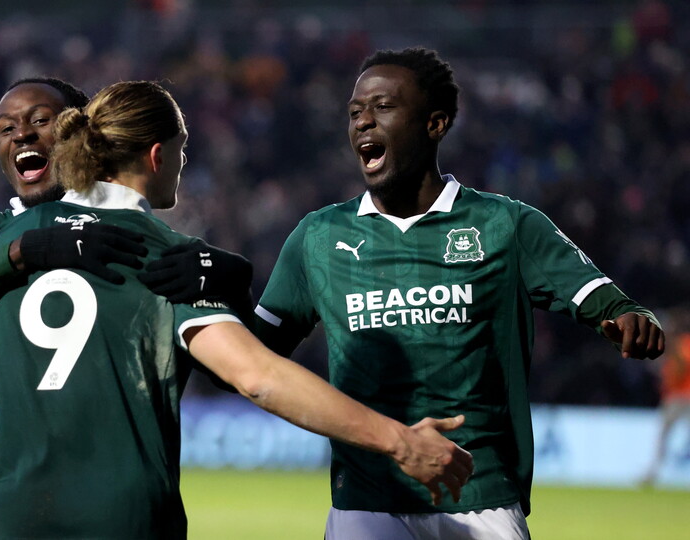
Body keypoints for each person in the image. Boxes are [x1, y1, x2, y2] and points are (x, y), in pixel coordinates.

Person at [0, 80, 474, 539]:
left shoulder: (1, 242)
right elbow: (258, 376)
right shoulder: (169, 255)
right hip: (129, 516)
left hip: (10, 514)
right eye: (183, 152)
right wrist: (397, 440)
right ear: (159, 155)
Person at [251, 46, 666, 540]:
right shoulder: (317, 237)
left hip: (482, 498)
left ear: (435, 124)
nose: (363, 122)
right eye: (355, 112)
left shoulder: (506, 225)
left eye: (383, 107)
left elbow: (610, 305)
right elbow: (251, 357)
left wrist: (630, 319)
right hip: (368, 502)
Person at [642, 308, 690, 487]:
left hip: (684, 398)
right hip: (674, 398)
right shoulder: (673, 347)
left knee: (665, 435)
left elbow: (681, 368)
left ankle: (652, 472)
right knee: (663, 435)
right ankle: (653, 472)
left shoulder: (683, 344)